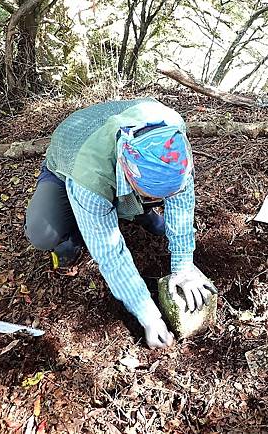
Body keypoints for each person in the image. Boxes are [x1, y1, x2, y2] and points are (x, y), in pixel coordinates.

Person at [24, 98, 217, 349]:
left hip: (120, 160)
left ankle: (136, 212)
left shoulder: (173, 144)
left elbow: (181, 203)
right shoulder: (90, 174)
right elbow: (110, 254)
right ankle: (74, 233)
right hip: (69, 161)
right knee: (44, 234)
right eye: (152, 197)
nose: (162, 202)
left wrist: (184, 268)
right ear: (128, 172)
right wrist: (148, 316)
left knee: (148, 201)